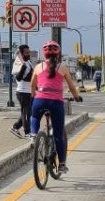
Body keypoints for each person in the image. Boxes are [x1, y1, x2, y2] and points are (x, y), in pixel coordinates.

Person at [29, 41, 83, 173]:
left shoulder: (38, 67)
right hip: (56, 103)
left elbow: (32, 85)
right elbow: (71, 86)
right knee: (59, 135)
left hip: (40, 100)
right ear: (58, 54)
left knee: (34, 116)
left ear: (44, 54)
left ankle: (34, 135)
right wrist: (76, 97)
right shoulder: (62, 68)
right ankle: (62, 165)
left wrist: (34, 96)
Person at [10, 44, 35, 138]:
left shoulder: (29, 62)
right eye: (26, 53)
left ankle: (15, 127)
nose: (29, 54)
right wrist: (23, 68)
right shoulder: (19, 63)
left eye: (29, 52)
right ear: (21, 53)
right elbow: (19, 78)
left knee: (28, 112)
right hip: (22, 92)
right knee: (26, 112)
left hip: (29, 91)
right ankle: (27, 132)